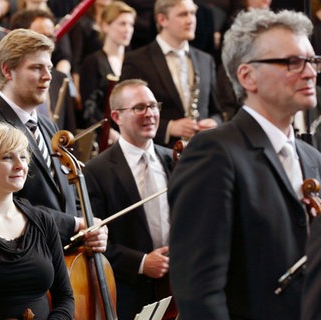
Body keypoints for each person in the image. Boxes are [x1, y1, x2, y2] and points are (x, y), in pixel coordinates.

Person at [168, 9, 321, 319]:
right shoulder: (213, 153)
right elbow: (199, 293)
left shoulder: (312, 158)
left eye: (312, 60)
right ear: (247, 76)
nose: (309, 72)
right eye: (292, 62)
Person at [0, 28, 109, 249]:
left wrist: (90, 227)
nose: (48, 77)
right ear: (8, 71)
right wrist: (74, 225)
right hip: (24, 260)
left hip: (64, 257)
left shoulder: (47, 125)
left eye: (49, 68)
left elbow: (68, 190)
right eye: (36, 68)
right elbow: (6, 207)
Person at [0, 122, 74, 319]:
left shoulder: (43, 221)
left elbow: (65, 297)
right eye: (7, 157)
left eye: (23, 157)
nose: (20, 165)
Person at [83, 79, 174, 318]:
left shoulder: (174, 160)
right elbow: (96, 243)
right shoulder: (96, 171)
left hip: (179, 287)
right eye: (139, 108)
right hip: (131, 295)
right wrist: (142, 262)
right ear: (116, 116)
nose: (150, 114)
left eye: (153, 106)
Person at [120, 0, 222, 148]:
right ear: (162, 20)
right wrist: (169, 127)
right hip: (159, 153)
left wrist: (215, 123)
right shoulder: (137, 61)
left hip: (202, 152)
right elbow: (125, 114)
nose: (191, 20)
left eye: (193, 13)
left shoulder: (206, 60)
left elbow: (217, 111)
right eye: (183, 14)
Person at [80, 1, 135, 138]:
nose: (128, 29)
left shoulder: (135, 61)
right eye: (122, 23)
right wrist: (109, 132)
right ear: (105, 26)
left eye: (131, 24)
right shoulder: (92, 62)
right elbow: (89, 108)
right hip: (105, 138)